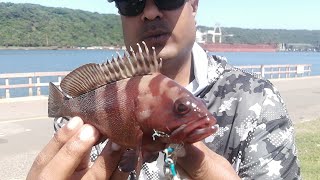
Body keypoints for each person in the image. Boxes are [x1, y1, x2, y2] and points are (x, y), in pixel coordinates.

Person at [27, 0, 300, 179]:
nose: (150, 11)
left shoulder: (259, 101)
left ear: (194, 3)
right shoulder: (74, 123)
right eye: (131, 1)